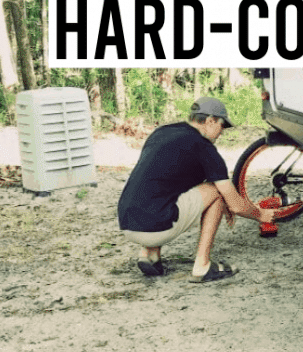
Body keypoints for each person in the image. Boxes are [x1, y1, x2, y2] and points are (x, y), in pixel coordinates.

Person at [117, 96, 276, 283]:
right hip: (154, 228)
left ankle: (149, 254)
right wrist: (261, 215)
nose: (222, 132)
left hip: (126, 221)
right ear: (210, 121)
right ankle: (202, 266)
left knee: (161, 190)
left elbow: (160, 179)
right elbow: (236, 206)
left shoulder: (162, 132)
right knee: (216, 193)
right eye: (222, 126)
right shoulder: (204, 148)